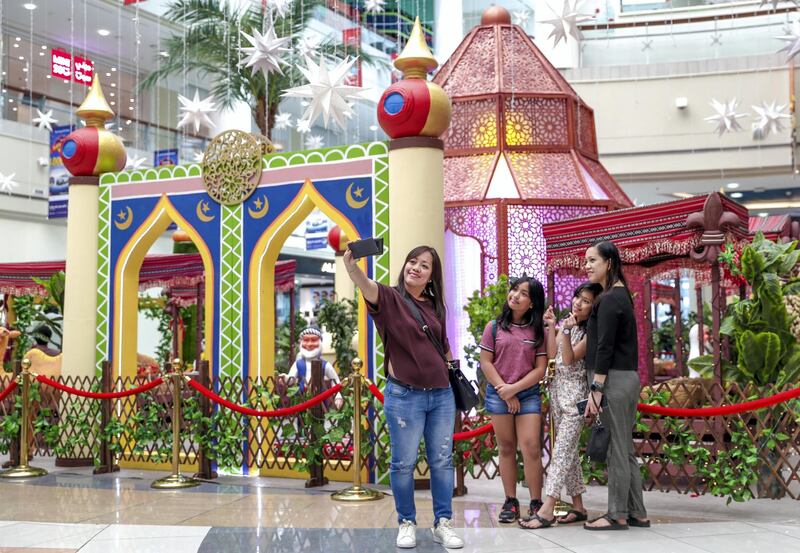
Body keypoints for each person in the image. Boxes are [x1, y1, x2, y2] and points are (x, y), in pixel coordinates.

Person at [343, 244, 464, 550]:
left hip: (441, 395)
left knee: (441, 461)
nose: (416, 268)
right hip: (404, 395)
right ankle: (406, 522)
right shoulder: (388, 297)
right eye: (413, 261)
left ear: (431, 276)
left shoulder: (437, 305)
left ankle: (443, 523)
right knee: (402, 463)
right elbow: (363, 283)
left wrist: (454, 373)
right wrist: (351, 265)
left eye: (425, 266)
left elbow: (444, 343)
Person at [519, 283, 602, 529]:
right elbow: (553, 354)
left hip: (576, 400)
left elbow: (569, 357)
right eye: (578, 297)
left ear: (593, 307)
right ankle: (578, 507)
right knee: (569, 453)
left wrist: (565, 330)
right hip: (557, 395)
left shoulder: (591, 332)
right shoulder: (568, 323)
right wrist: (552, 326)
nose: (578, 302)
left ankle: (547, 509)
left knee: (562, 453)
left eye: (586, 301)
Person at [583, 241, 649, 531]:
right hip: (624, 378)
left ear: (609, 262)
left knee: (618, 450)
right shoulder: (621, 295)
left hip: (613, 380)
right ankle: (637, 512)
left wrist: (596, 389)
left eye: (592, 260)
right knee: (625, 448)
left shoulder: (610, 299)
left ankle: (617, 514)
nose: (587, 265)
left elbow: (604, 347)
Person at [478, 276, 547, 524]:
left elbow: (540, 369)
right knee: (506, 448)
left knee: (530, 448)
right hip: (499, 395)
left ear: (532, 303)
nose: (516, 295)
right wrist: (503, 389)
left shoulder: (538, 330)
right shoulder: (494, 327)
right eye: (514, 290)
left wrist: (514, 390)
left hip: (527, 395)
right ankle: (510, 500)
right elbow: (486, 362)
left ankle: (536, 501)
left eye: (523, 293)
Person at [285, 326, 343, 409]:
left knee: (318, 420)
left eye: (313, 340)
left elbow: (335, 380)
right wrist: (285, 379)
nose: (309, 344)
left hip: (319, 400)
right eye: (306, 340)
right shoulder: (298, 364)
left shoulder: (325, 365)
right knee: (301, 421)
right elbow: (291, 379)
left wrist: (338, 395)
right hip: (301, 399)